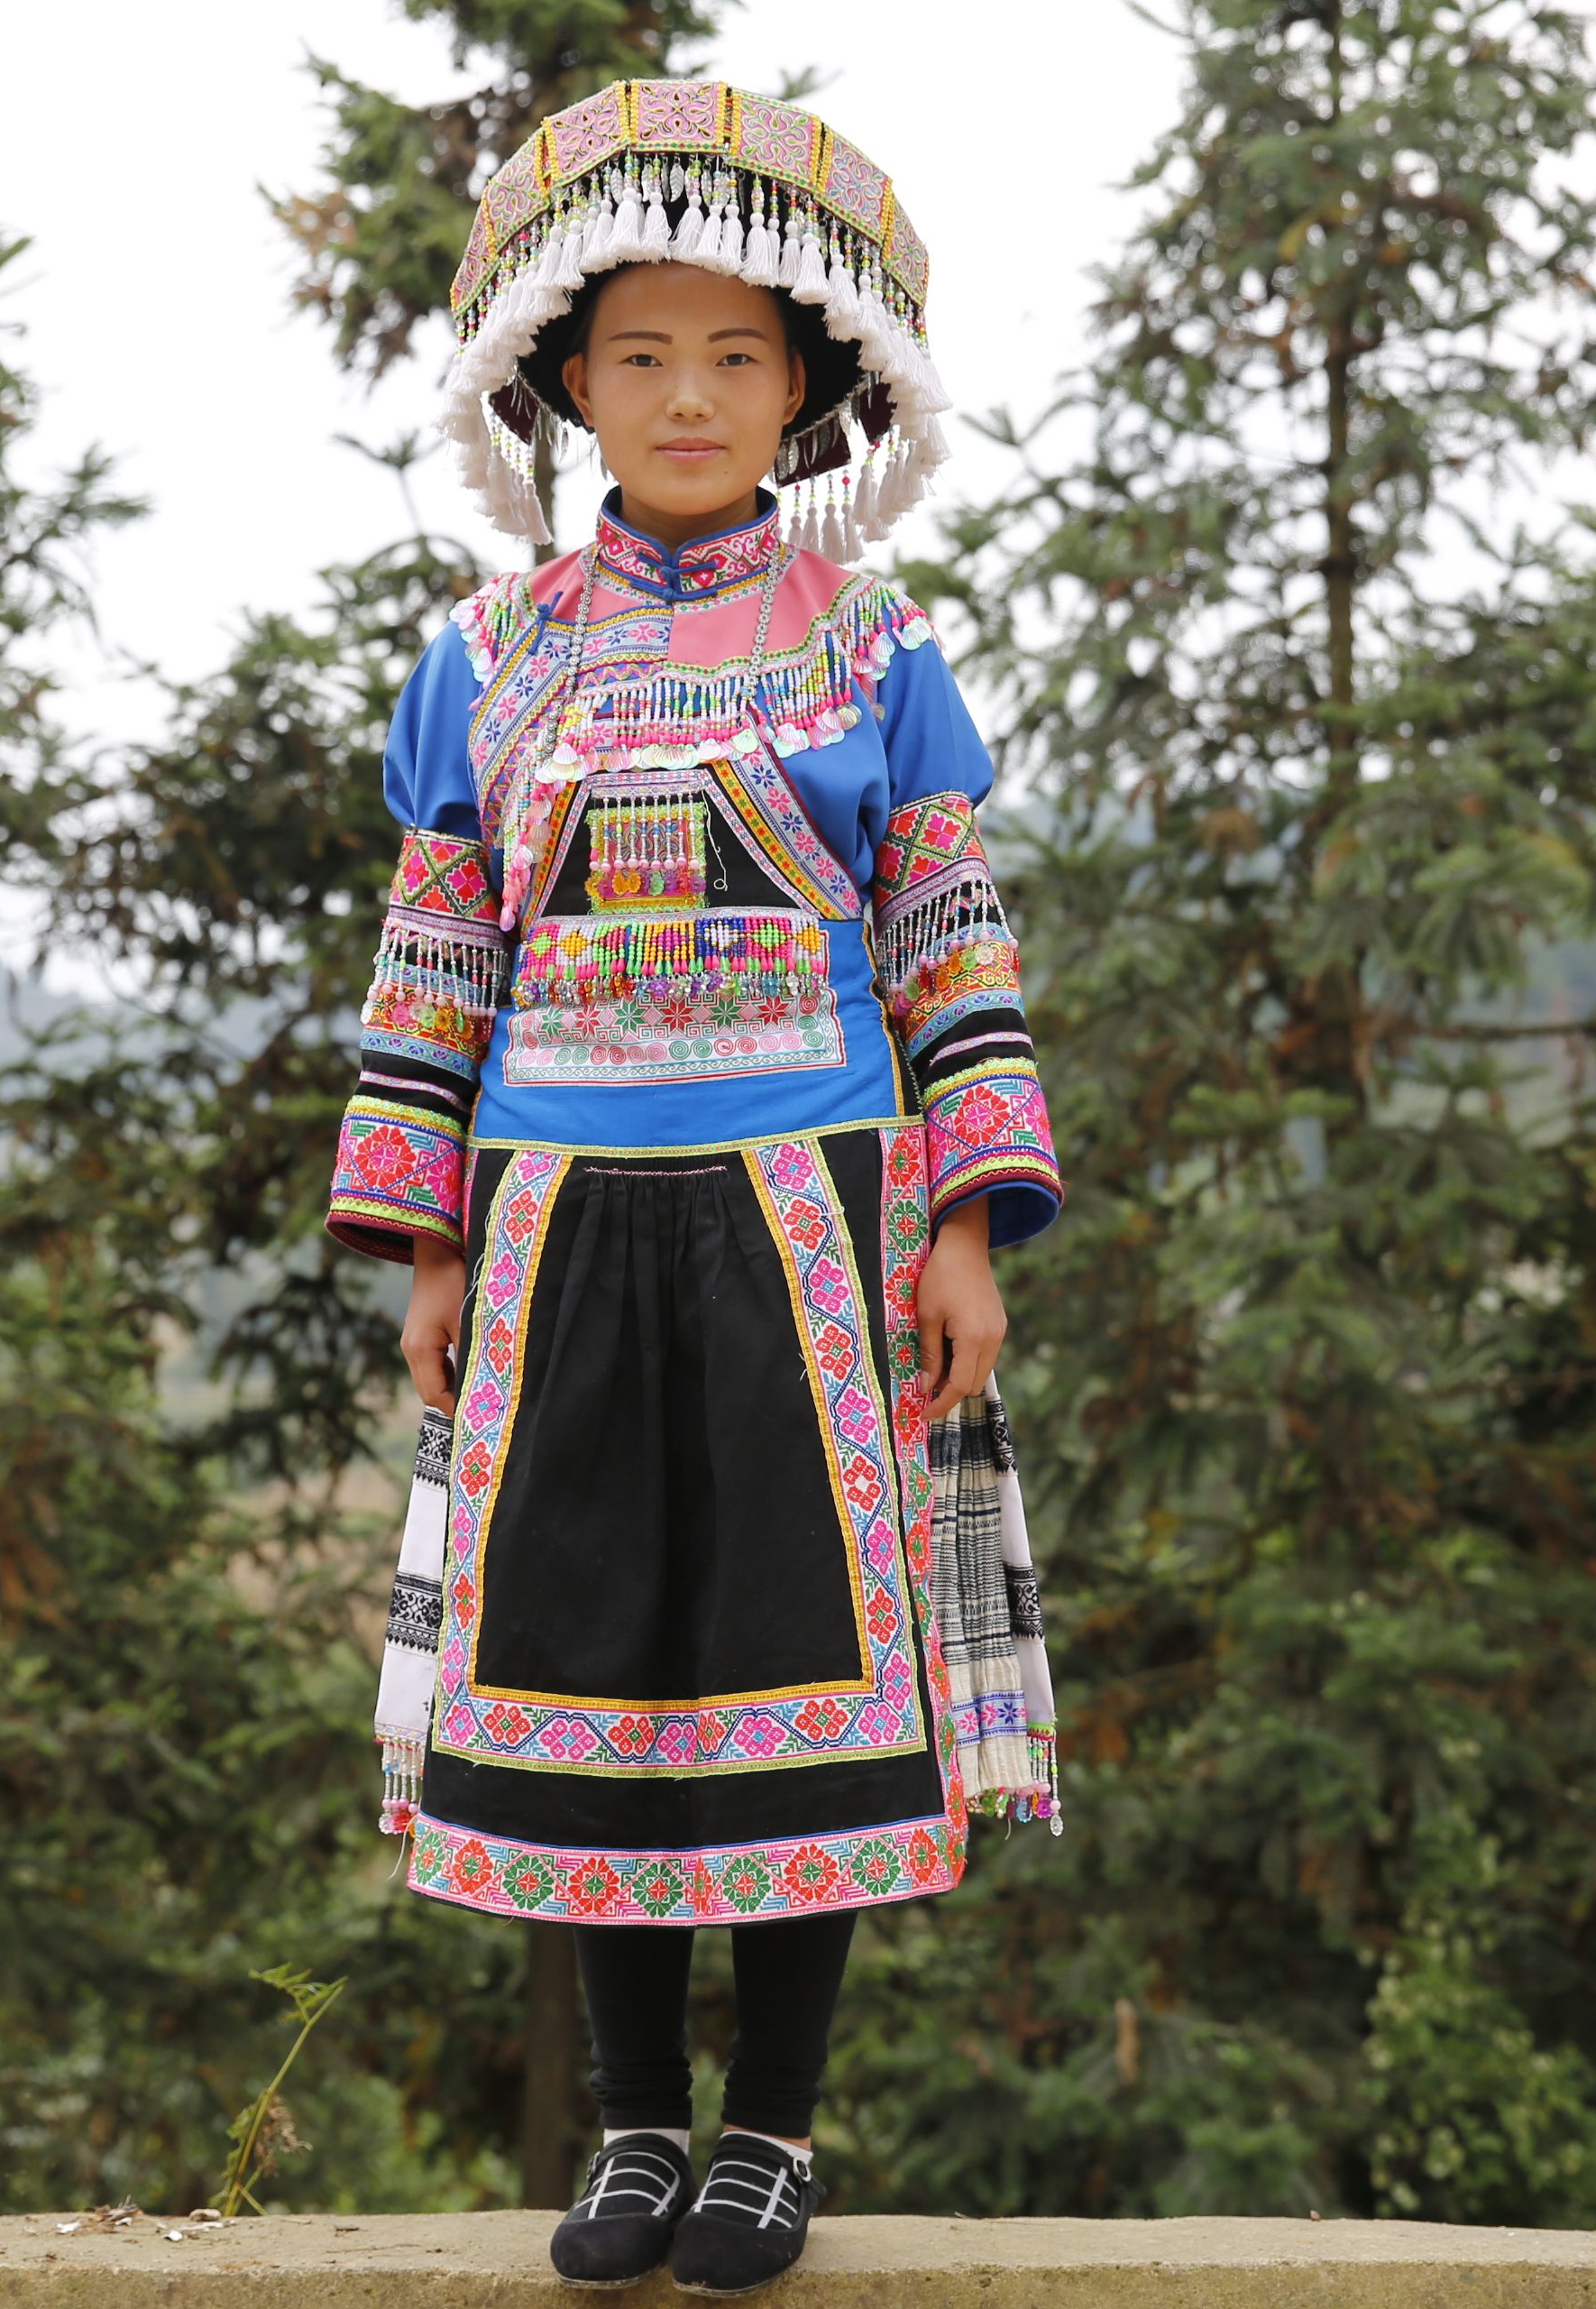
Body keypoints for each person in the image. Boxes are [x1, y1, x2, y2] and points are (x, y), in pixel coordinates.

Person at [327, 78, 1063, 2296]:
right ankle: (634, 2122)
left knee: (791, 1670)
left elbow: (949, 934)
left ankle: (775, 2128)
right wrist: (433, 1241)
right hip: (555, 1213)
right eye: (639, 352)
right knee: (591, 1662)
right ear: (564, 380)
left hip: (811, 1212)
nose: (685, 395)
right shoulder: (490, 657)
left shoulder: (872, 643)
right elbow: (440, 949)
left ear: (806, 391)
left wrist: (964, 1228)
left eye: (736, 354)